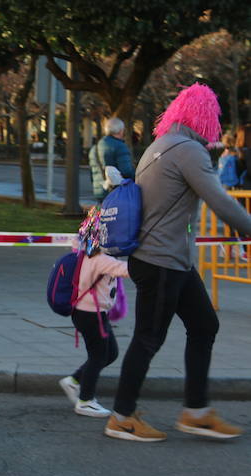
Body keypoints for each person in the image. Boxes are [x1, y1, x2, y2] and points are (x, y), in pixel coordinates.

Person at [105, 83, 251, 443]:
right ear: (205, 117)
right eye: (213, 117)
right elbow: (221, 201)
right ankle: (122, 417)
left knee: (204, 326)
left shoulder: (159, 145)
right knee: (147, 339)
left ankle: (196, 412)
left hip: (171, 261)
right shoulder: (188, 150)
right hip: (162, 262)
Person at [58, 206, 129, 418]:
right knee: (99, 356)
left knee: (110, 353)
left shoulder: (85, 252)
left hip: (92, 314)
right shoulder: (99, 259)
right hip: (90, 315)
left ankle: (74, 381)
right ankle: (85, 401)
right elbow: (125, 270)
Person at [88, 117, 135, 203]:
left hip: (99, 193)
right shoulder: (120, 147)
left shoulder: (94, 148)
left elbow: (91, 173)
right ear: (121, 131)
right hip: (116, 192)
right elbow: (126, 171)